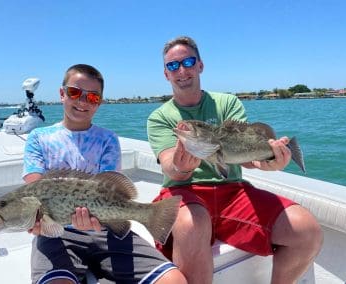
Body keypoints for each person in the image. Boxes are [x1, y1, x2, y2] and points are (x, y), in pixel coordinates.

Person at [147, 36, 323, 284]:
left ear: (200, 65)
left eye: (188, 61)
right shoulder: (159, 117)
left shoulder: (227, 102)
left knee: (307, 231)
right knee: (190, 225)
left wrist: (267, 162)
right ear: (166, 74)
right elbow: (169, 164)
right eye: (173, 66)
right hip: (183, 193)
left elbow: (246, 158)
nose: (182, 70)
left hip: (233, 192)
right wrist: (179, 167)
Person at [23, 64, 187, 284]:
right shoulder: (38, 137)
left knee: (174, 280)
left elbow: (111, 185)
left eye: (92, 97)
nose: (82, 101)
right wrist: (35, 218)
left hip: (106, 228)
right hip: (56, 233)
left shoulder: (107, 138)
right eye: (74, 93)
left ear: (99, 102)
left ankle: (148, 217)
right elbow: (34, 188)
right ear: (62, 94)